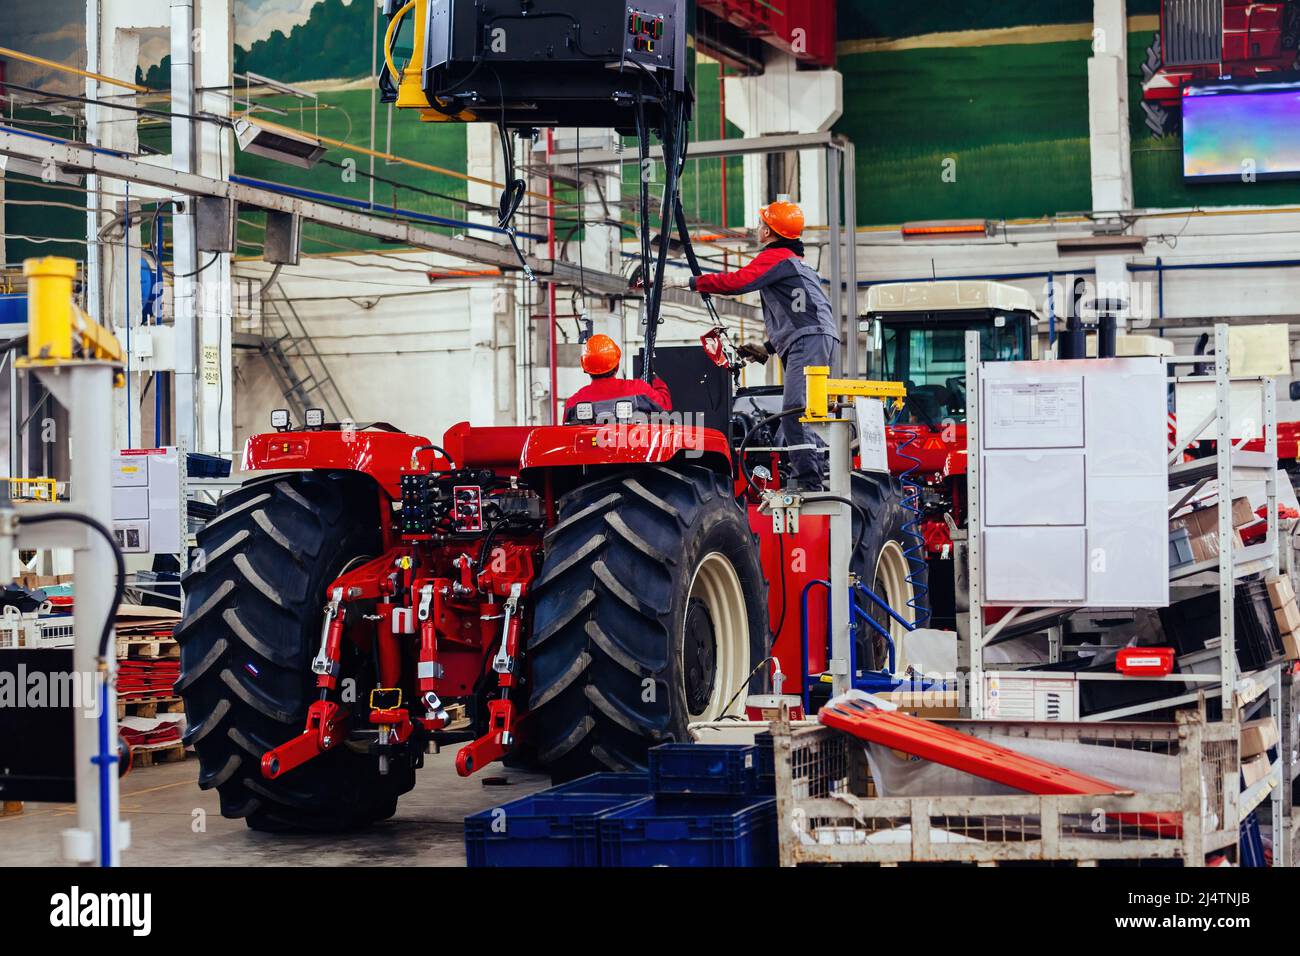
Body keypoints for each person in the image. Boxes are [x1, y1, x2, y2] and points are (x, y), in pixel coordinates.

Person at [670, 198, 840, 489]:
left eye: (762, 224)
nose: (758, 228)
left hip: (808, 341)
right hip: (820, 339)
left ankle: (809, 481)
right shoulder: (798, 263)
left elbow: (738, 282)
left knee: (794, 413)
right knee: (807, 413)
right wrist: (769, 347)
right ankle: (818, 472)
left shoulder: (776, 258)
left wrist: (691, 282)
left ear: (769, 232)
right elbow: (803, 313)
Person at [564, 334, 672, 422]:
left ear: (586, 369)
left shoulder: (573, 403)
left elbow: (567, 433)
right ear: (616, 366)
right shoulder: (639, 390)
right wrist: (654, 378)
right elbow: (665, 407)